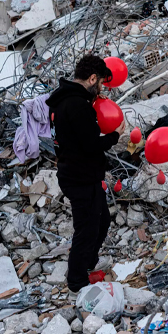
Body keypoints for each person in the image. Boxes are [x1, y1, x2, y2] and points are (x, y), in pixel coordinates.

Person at [46, 54, 125, 298]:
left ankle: (88, 265)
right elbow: (91, 144)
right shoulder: (77, 104)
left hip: (82, 174)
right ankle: (77, 282)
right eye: (100, 82)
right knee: (87, 229)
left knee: (101, 223)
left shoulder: (70, 100)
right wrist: (115, 136)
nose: (101, 88)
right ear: (92, 78)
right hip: (79, 178)